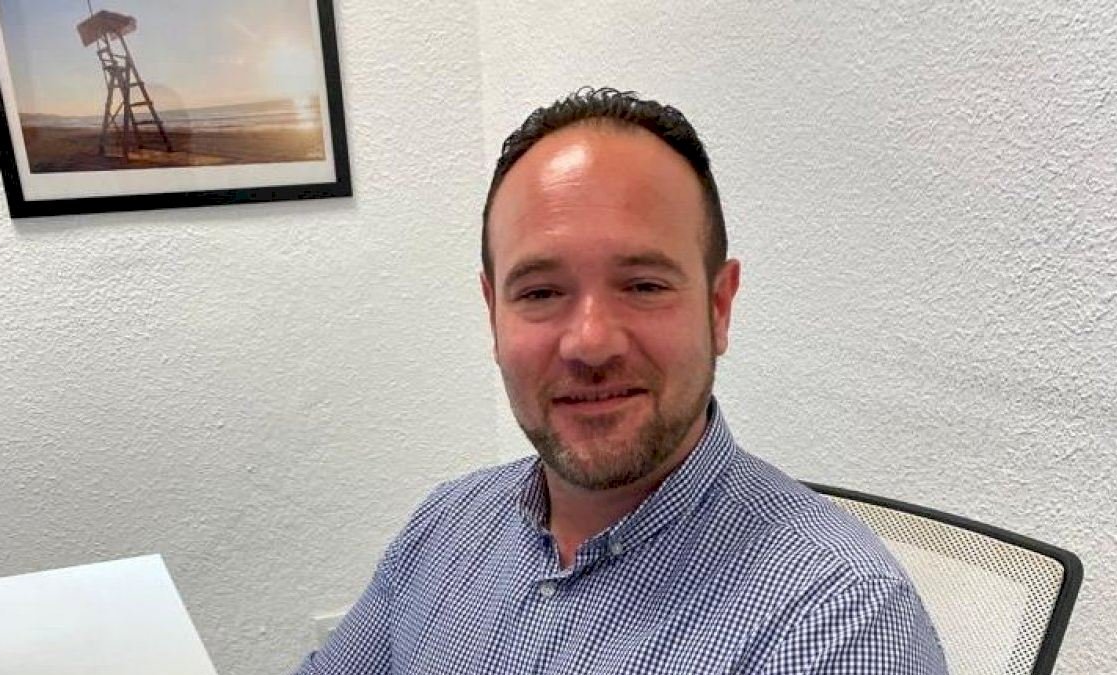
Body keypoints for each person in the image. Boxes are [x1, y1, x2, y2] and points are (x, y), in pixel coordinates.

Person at [294, 88, 947, 674]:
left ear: (719, 307)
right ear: (493, 314)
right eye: (541, 292)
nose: (590, 342)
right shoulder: (446, 525)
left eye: (643, 285)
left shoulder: (836, 620)